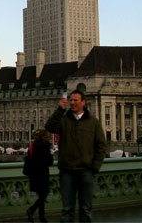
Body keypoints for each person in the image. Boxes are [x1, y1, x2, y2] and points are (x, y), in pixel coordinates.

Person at [45, 89, 107, 222]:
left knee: (86, 209)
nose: (72, 103)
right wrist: (60, 110)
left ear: (83, 103)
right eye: (71, 100)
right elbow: (49, 126)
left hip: (86, 171)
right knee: (67, 209)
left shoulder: (93, 122)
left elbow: (101, 146)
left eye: (75, 100)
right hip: (67, 171)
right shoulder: (64, 120)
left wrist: (94, 168)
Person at [26, 129, 53, 223]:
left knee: (41, 195)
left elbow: (30, 157)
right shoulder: (45, 145)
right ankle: (32, 210)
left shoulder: (33, 145)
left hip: (34, 173)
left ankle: (42, 217)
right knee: (43, 195)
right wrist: (51, 155)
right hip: (42, 173)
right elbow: (49, 162)